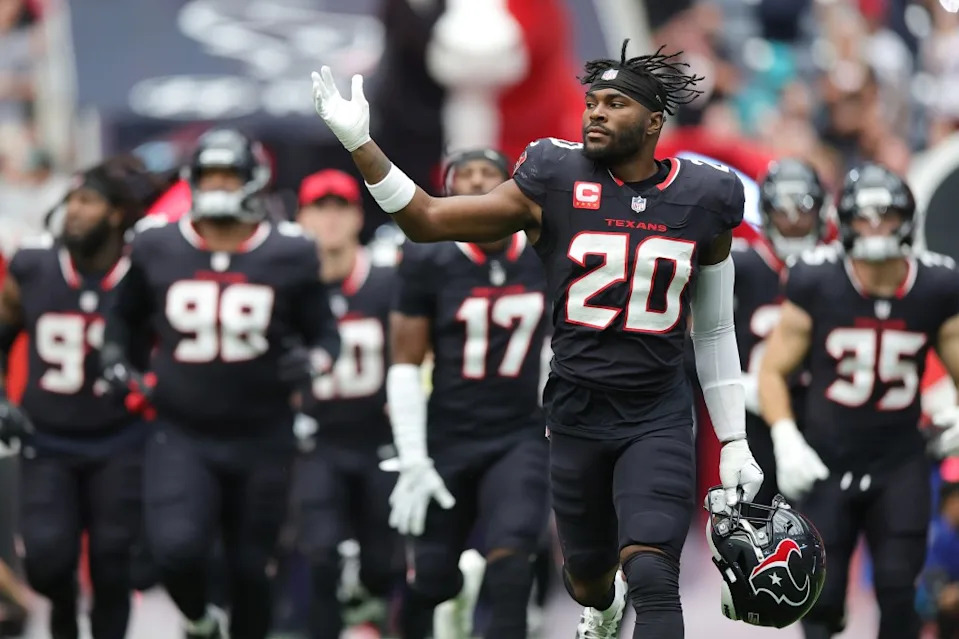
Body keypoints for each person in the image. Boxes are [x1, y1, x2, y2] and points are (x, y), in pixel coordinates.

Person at [311, 39, 765, 639]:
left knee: (655, 576)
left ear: (655, 121)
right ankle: (599, 609)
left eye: (615, 103)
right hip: (575, 414)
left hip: (656, 413)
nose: (596, 113)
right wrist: (360, 144)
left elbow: (712, 327)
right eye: (592, 101)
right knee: (588, 578)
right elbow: (424, 220)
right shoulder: (553, 177)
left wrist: (733, 438)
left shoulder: (706, 197)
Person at [99, 129, 342, 639]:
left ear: (253, 182)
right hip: (182, 430)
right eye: (209, 175)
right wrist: (118, 359)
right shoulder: (156, 244)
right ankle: (201, 621)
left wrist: (314, 361)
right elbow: (121, 319)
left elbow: (325, 333)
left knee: (252, 568)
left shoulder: (290, 252)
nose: (218, 186)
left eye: (228, 175)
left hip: (263, 433)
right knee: (176, 550)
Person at [758, 163, 959, 639]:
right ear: (844, 221)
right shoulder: (817, 278)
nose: (874, 229)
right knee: (819, 599)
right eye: (864, 217)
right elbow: (773, 371)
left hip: (900, 461)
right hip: (828, 459)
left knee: (897, 590)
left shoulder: (936, 286)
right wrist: (787, 438)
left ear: (907, 219)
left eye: (885, 216)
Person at [0, 156, 168, 639]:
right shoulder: (33, 266)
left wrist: (155, 389)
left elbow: (177, 346)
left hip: (120, 439)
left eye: (88, 201)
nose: (74, 211)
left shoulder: (142, 274)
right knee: (48, 564)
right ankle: (62, 611)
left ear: (118, 213)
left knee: (113, 564)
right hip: (47, 439)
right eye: (71, 200)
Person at [387, 147, 551, 639]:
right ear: (448, 190)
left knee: (513, 560)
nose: (479, 183)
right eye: (467, 174)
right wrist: (412, 455)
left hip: (519, 432)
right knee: (432, 577)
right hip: (449, 433)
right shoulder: (428, 256)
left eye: (491, 174)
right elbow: (404, 364)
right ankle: (452, 598)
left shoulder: (546, 250)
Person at [292, 168, 401, 638]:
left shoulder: (386, 280)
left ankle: (370, 608)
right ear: (302, 218)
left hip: (379, 437)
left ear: (358, 217)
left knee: (385, 559)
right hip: (316, 439)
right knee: (319, 552)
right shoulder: (290, 283)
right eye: (320, 208)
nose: (330, 220)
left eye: (340, 208)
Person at [734, 158, 827, 505]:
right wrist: (733, 382)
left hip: (819, 408)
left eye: (802, 209)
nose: (792, 221)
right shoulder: (740, 265)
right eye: (782, 210)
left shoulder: (833, 267)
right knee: (754, 517)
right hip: (751, 411)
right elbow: (695, 338)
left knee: (823, 521)